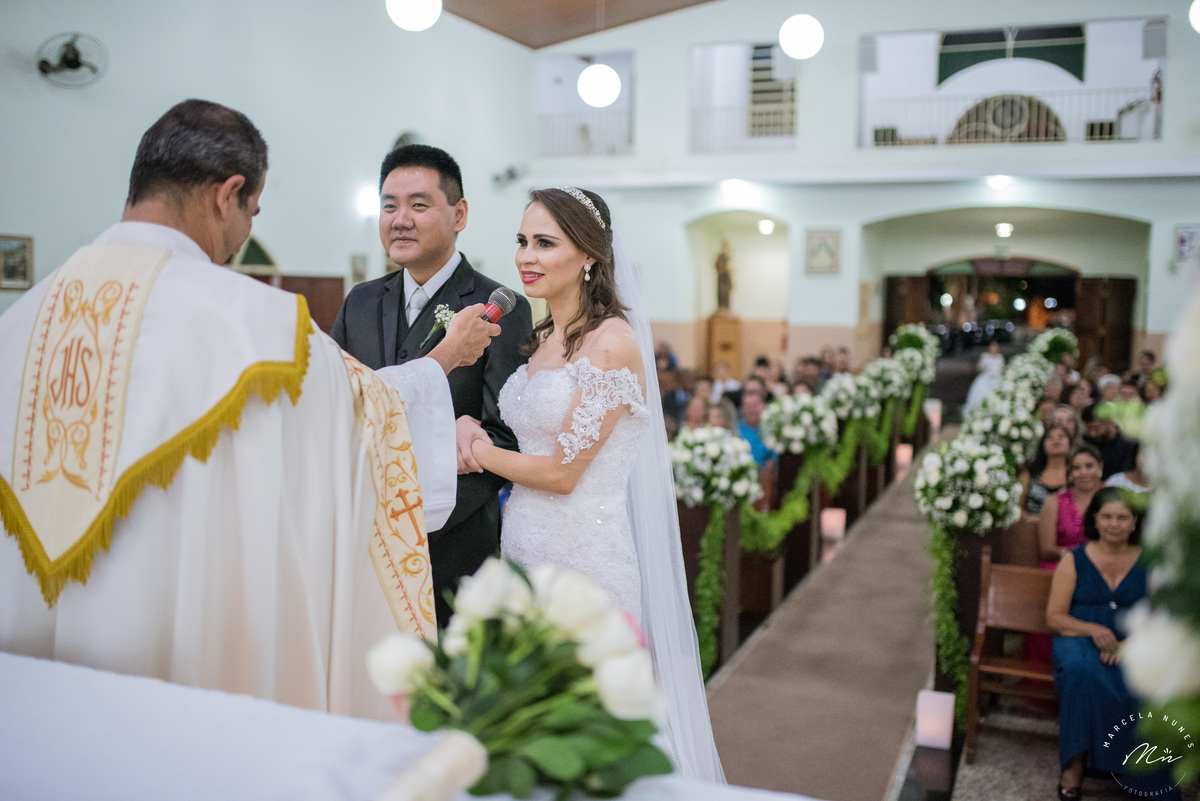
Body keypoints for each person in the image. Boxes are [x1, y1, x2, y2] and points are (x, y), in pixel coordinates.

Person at [0, 100, 499, 721]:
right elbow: (357, 412)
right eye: (253, 212)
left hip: (28, 682)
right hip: (179, 650)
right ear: (228, 194)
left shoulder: (21, 321)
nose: (242, 234)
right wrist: (441, 362)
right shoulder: (252, 326)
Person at [456, 187, 723, 782]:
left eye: (545, 242)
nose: (526, 255)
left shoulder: (613, 343)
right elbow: (529, 441)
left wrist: (477, 452)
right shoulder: (544, 338)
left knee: (591, 733)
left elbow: (563, 472)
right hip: (525, 545)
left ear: (589, 257)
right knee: (533, 724)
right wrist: (475, 424)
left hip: (586, 555)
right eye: (523, 241)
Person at [331, 144, 533, 627]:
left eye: (419, 205)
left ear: (458, 213)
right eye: (389, 205)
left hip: (454, 553)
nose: (400, 219)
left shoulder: (498, 305)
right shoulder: (359, 302)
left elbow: (504, 437)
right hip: (363, 538)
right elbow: (340, 406)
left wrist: (419, 521)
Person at [1046, 488, 1177, 800]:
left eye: (1122, 517)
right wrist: (1091, 628)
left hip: (1135, 641)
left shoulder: (1151, 561)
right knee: (1080, 672)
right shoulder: (1074, 559)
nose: (1114, 523)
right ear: (1095, 519)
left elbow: (1161, 617)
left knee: (1142, 680)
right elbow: (1054, 617)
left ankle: (1135, 768)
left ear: (1134, 522)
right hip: (1079, 638)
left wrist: (1132, 643)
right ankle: (1075, 765)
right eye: (1106, 516)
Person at [1039, 444, 1104, 569]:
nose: (1083, 473)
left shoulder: (1111, 500)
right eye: (1076, 468)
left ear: (1100, 466)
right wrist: (1081, 557)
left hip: (1102, 568)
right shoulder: (1053, 502)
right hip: (1060, 567)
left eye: (1089, 466)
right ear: (1070, 472)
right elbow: (1047, 549)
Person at [1020, 424, 1070, 517]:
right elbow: (1018, 507)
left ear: (1070, 443)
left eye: (1061, 436)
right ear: (1042, 445)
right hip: (1032, 527)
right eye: (1049, 437)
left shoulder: (1076, 475)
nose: (1056, 440)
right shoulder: (1029, 474)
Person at [1082, 404, 1135, 480]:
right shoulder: (1086, 442)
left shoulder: (1128, 444)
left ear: (1110, 422)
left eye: (1097, 428)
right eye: (1088, 429)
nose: (1092, 434)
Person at [964, 340, 1004, 411]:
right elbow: (981, 368)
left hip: (997, 377)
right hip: (986, 377)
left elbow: (1001, 369)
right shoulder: (985, 356)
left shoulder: (1000, 357)